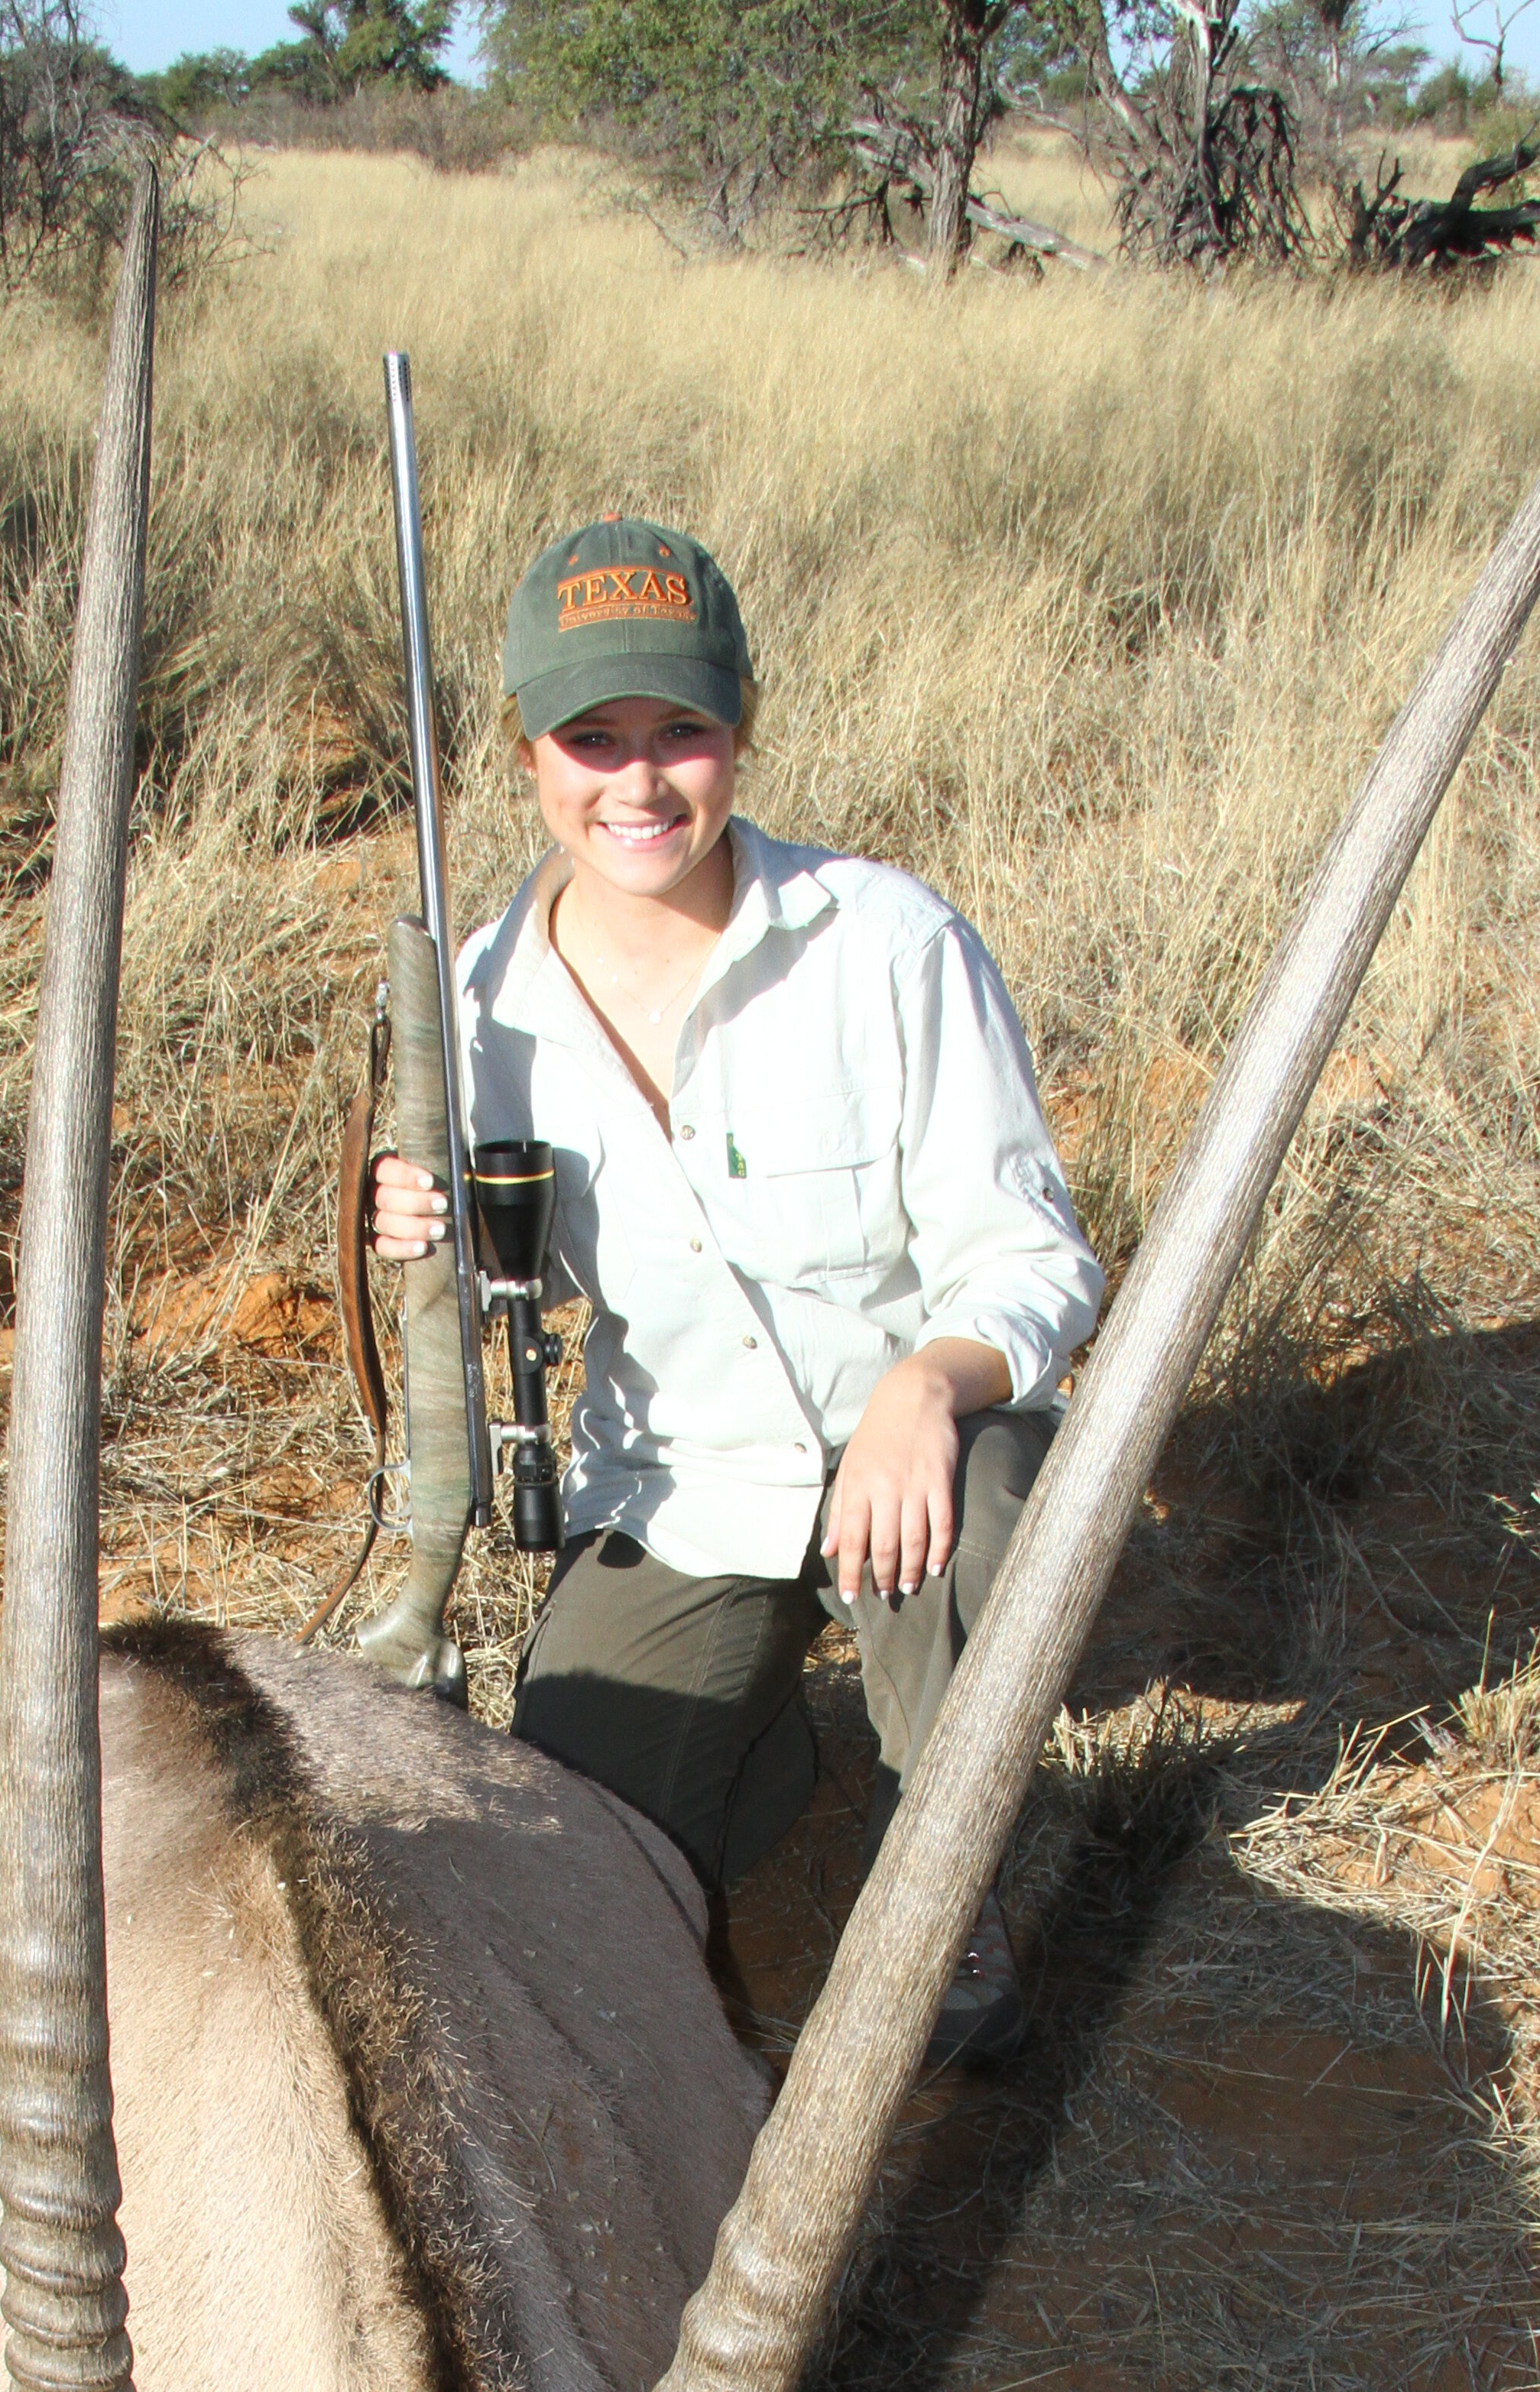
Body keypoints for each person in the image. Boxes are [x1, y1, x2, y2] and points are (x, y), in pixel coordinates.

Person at [371, 514, 1104, 2069]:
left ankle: (941, 1874)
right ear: (527, 753)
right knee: (582, 1875)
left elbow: (1036, 1258)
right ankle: (766, 1729)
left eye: (680, 733)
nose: (638, 786)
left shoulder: (886, 940)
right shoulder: (479, 1001)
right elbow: (530, 1282)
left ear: (741, 731)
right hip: (680, 1482)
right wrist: (428, 1233)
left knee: (994, 1491)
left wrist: (927, 1386)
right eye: (594, 739)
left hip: (908, 1460)